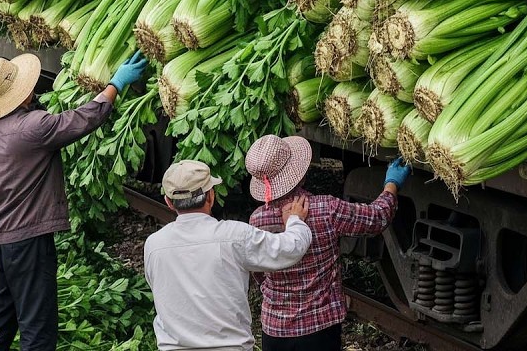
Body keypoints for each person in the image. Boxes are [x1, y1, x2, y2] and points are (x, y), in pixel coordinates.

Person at [0, 51, 148, 351]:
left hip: (0, 240)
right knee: (37, 326)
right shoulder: (34, 126)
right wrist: (115, 84)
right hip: (29, 240)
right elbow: (83, 119)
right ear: (23, 92)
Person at [246, 135, 409, 351]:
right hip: (320, 327)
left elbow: (258, 272)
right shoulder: (326, 208)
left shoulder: (256, 220)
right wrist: (391, 184)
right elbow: (377, 218)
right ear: (301, 175)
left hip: (275, 329)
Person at [144, 159, 312, 351]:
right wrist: (295, 220)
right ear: (211, 196)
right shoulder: (235, 236)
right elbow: (290, 249)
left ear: (168, 202)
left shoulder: (154, 244)